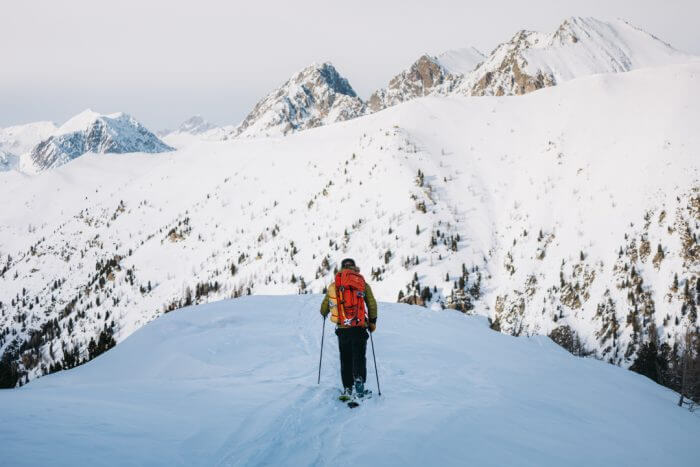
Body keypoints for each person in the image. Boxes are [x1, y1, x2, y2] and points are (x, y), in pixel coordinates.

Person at [320, 258, 377, 398]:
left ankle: (347, 388)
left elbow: (324, 308)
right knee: (359, 357)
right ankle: (359, 384)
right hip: (359, 327)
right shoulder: (362, 283)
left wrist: (324, 313)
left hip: (343, 329)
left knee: (345, 359)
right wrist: (372, 322)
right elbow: (372, 304)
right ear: (354, 267)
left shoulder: (335, 284)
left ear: (342, 268)